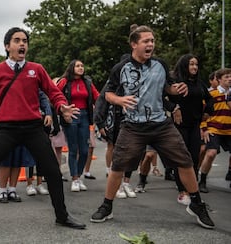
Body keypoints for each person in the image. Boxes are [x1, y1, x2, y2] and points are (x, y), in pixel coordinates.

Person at [0, 27, 85, 236]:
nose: (22, 44)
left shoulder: (37, 69)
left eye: (25, 41)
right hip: (7, 130)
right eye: (17, 40)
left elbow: (53, 92)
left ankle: (62, 215)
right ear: (7, 46)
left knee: (52, 172)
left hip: (33, 128)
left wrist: (62, 106)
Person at [90, 25, 215, 229]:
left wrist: (177, 89)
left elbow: (168, 88)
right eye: (146, 41)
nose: (151, 44)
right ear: (134, 44)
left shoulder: (160, 65)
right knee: (118, 165)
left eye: (152, 41)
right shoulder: (120, 68)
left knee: (185, 161)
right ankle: (107, 206)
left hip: (161, 124)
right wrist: (120, 100)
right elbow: (108, 94)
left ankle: (196, 204)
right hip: (132, 126)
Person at [168, 54, 213, 204]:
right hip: (179, 125)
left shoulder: (199, 83)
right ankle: (182, 190)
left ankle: (192, 188)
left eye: (196, 64)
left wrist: (207, 111)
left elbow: (209, 98)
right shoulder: (175, 82)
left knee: (194, 157)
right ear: (184, 66)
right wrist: (174, 108)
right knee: (181, 157)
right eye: (191, 64)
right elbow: (163, 98)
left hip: (195, 125)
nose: (194, 67)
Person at [57, 59, 100, 192]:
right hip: (71, 115)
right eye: (78, 66)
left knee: (85, 150)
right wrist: (62, 109)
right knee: (73, 148)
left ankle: (79, 176)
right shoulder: (64, 81)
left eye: (82, 65)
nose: (81, 68)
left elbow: (97, 96)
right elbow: (55, 94)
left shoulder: (87, 82)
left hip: (85, 116)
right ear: (72, 68)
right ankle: (75, 179)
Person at [198, 68, 231, 193]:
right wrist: (204, 128)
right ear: (218, 80)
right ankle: (203, 180)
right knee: (211, 153)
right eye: (226, 77)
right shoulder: (212, 94)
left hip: (229, 130)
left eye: (230, 76)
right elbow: (202, 112)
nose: (229, 79)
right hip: (214, 128)